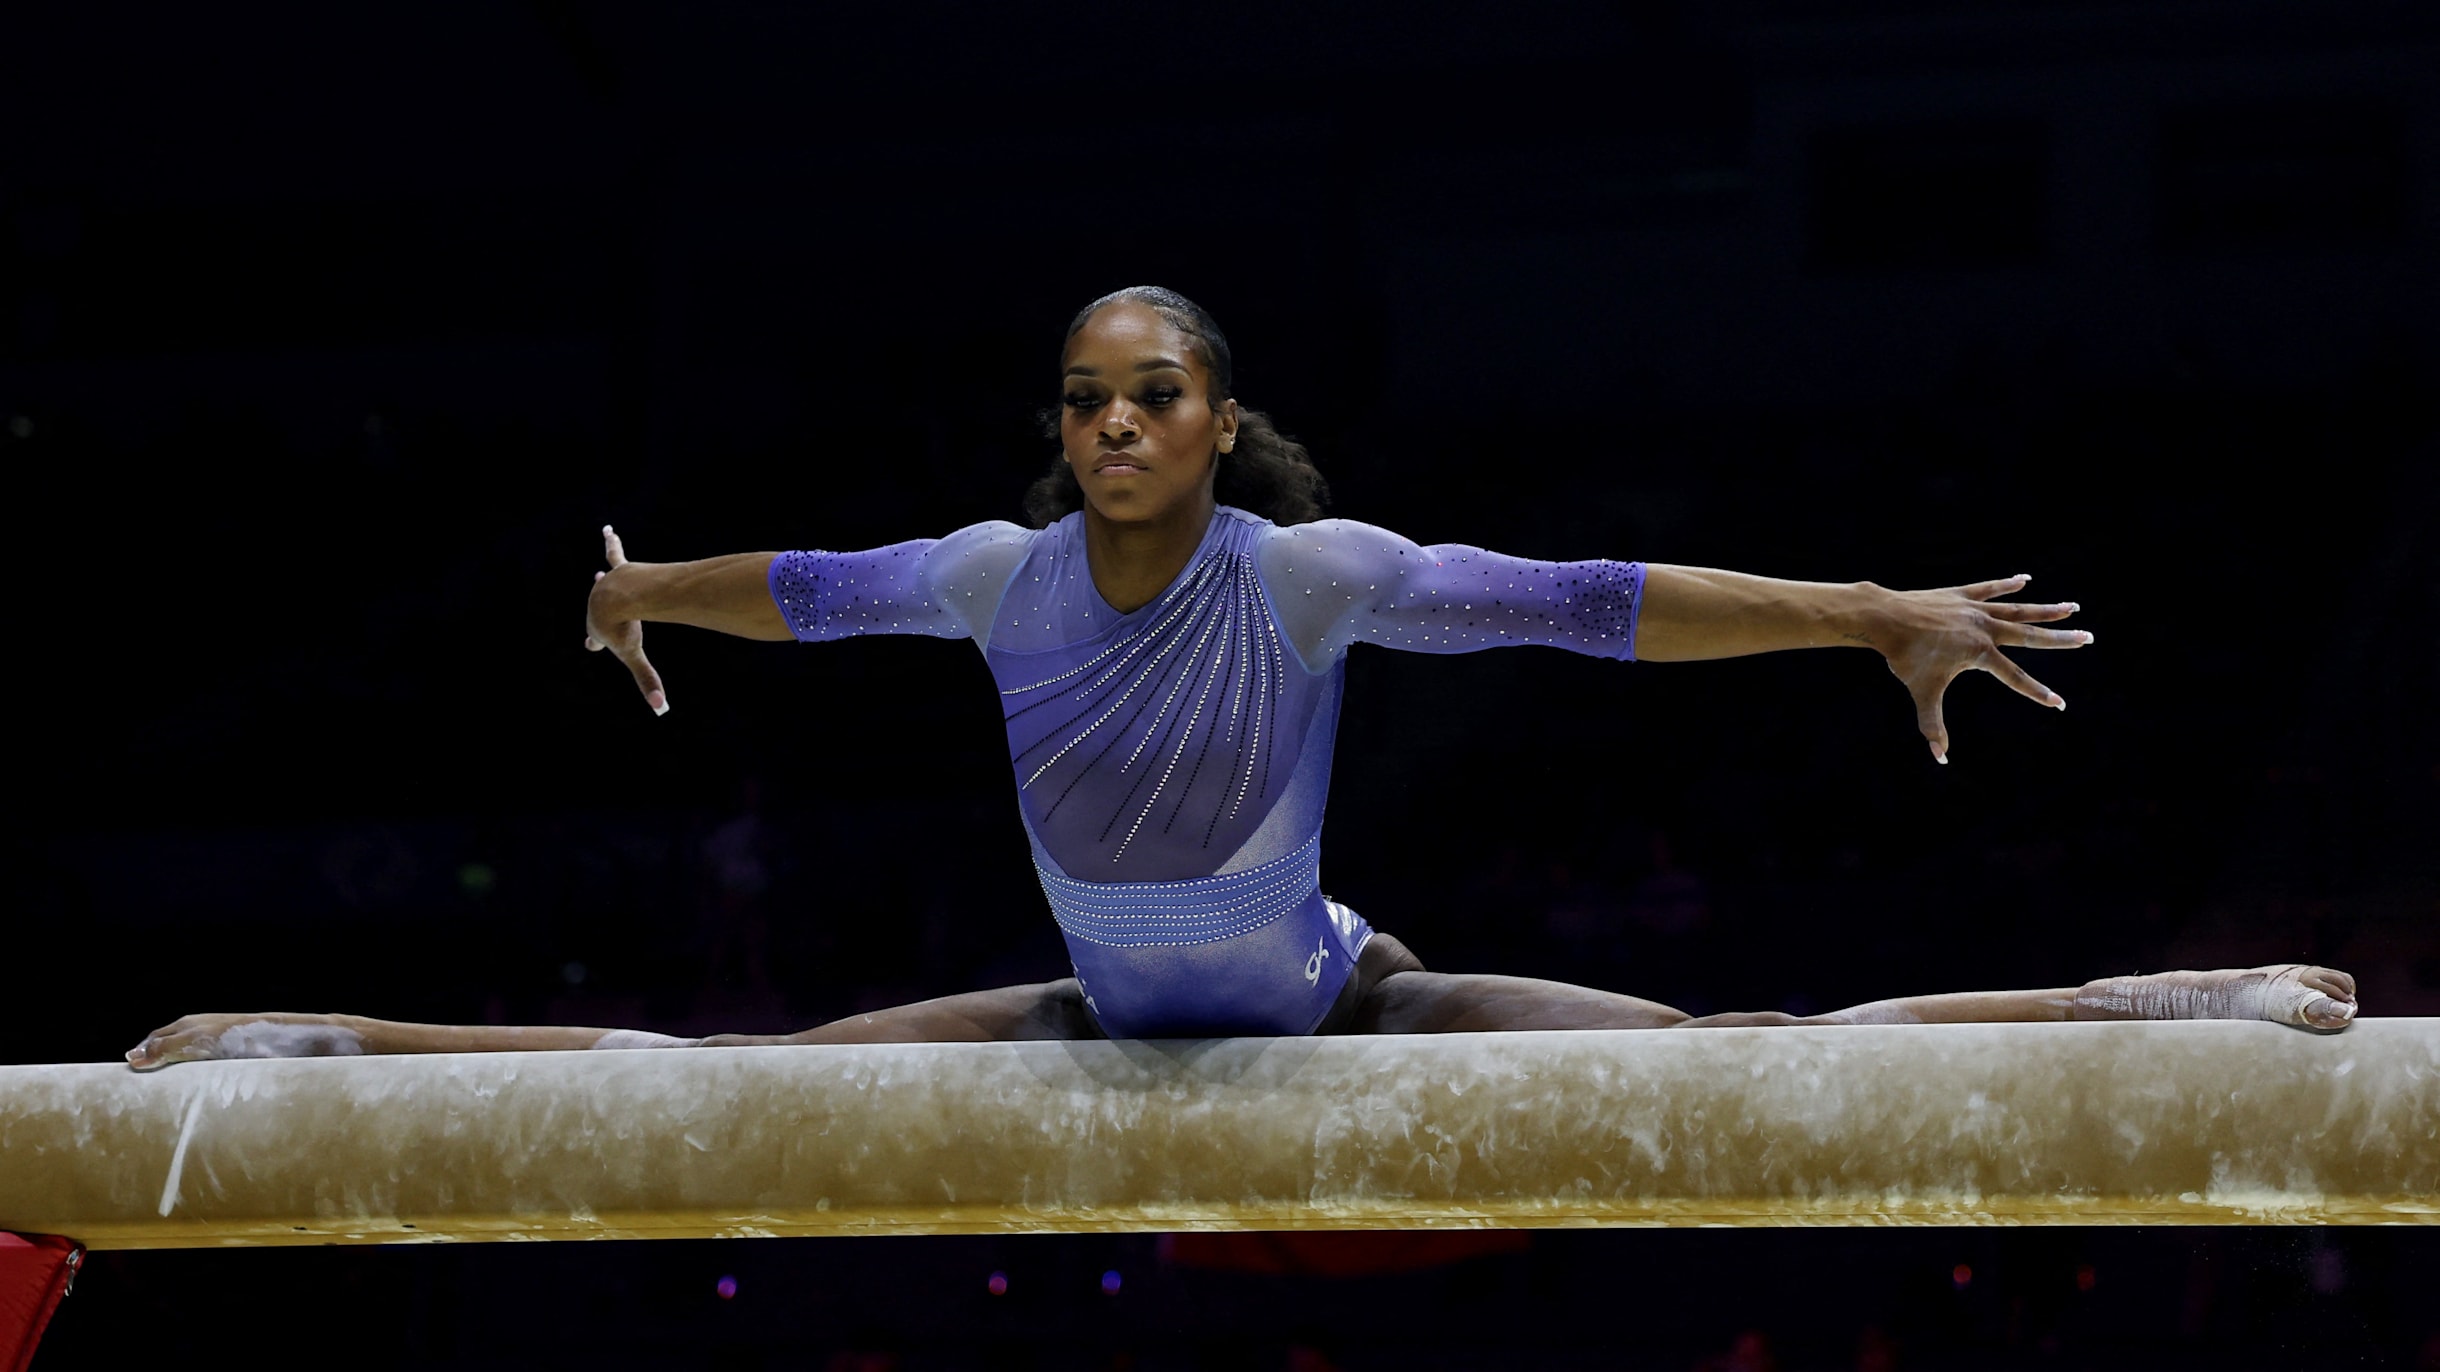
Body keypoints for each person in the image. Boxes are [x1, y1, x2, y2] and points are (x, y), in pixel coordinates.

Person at [127, 287, 2356, 1070]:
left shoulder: (1309, 576)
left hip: (1333, 997)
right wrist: (635, 604)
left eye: (1153, 392)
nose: (1111, 424)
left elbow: (1593, 598)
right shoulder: (990, 577)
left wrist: (1865, 608)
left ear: (1216, 415)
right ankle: (305, 1033)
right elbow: (788, 587)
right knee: (706, 1075)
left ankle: (2133, 1002)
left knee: (1742, 1058)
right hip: (1096, 1027)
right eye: (1084, 395)